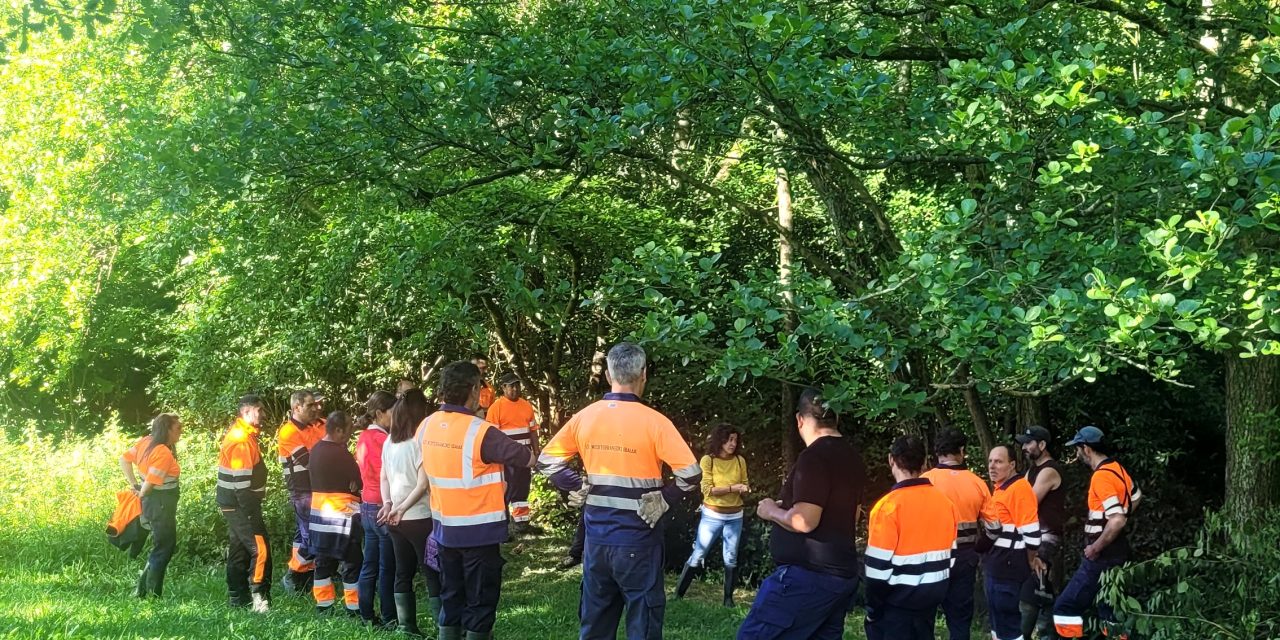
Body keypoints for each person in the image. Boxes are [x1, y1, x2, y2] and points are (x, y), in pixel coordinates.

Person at [538, 342, 702, 640]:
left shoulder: (585, 417)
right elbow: (691, 474)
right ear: (643, 374)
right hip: (639, 542)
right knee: (644, 626)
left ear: (608, 375)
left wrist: (577, 485)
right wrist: (666, 498)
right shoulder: (656, 422)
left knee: (596, 626)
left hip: (596, 543)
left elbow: (546, 461)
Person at [738, 388, 866, 640]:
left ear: (800, 419)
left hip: (808, 577)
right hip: (841, 575)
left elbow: (805, 521)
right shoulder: (852, 457)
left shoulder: (814, 457)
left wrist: (771, 510)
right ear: (835, 418)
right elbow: (854, 515)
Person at [421, 360, 537, 640]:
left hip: (444, 529)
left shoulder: (426, 425)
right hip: (479, 531)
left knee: (451, 593)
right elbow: (527, 458)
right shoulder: (480, 431)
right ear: (474, 390)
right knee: (480, 600)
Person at [863, 435, 959, 640]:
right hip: (930, 601)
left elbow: (876, 572)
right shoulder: (945, 503)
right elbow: (951, 556)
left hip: (895, 606)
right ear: (924, 463)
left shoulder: (887, 507)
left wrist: (872, 610)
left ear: (891, 460)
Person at [1053, 427, 1141, 639]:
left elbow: (1117, 519)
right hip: (1119, 552)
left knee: (1065, 608)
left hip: (1102, 556)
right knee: (1110, 612)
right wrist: (1122, 516)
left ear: (1086, 449)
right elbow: (1137, 496)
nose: (1077, 454)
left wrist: (1095, 547)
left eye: (1078, 449)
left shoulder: (1101, 477)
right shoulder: (1117, 469)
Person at [379, 388, 440, 635]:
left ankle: (406, 627)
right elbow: (423, 484)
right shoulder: (419, 443)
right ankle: (441, 625)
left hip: (395, 520)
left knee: (402, 572)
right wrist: (402, 508)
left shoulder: (388, 442)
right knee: (432, 572)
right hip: (419, 517)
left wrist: (388, 505)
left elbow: (383, 477)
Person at [921, 428, 991, 640]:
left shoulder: (925, 481)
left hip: (929, 557)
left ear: (937, 452)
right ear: (962, 450)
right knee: (959, 619)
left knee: (924, 616)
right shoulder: (977, 483)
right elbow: (995, 529)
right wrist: (979, 548)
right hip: (964, 557)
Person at [675, 423, 749, 606]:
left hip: (735, 516)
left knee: (731, 556)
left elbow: (745, 482)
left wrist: (745, 489)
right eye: (729, 440)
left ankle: (728, 600)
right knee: (699, 553)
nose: (733, 444)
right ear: (720, 440)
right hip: (712, 515)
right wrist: (733, 488)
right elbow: (707, 490)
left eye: (735, 440)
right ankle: (678, 595)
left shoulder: (740, 460)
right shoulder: (708, 460)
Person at [978, 444, 1043, 640]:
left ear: (1012, 464)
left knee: (1008, 625)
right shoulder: (1001, 489)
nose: (992, 466)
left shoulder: (1019, 488)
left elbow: (1032, 535)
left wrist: (1032, 559)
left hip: (1008, 566)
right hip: (997, 565)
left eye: (998, 461)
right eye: (990, 461)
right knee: (998, 623)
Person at [216, 395, 271, 612]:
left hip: (234, 503)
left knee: (239, 549)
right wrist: (250, 513)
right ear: (246, 412)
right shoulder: (241, 440)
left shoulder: (244, 435)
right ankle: (259, 598)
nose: (264, 414)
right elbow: (240, 484)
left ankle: (237, 598)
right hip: (241, 504)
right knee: (260, 548)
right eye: (259, 410)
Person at [308, 410, 363, 615]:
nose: (351, 432)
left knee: (322, 562)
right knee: (352, 562)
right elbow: (358, 481)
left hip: (320, 515)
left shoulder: (315, 450)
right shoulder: (341, 454)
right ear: (339, 430)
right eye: (349, 429)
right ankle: (354, 607)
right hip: (343, 517)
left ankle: (324, 605)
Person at [1018, 425, 1066, 639]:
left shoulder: (1049, 470)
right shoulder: (1032, 470)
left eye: (1028, 443)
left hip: (1047, 539)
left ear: (1042, 445)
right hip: (1033, 536)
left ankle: (1025, 634)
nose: (1024, 448)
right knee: (1039, 589)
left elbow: (1027, 503)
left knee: (1035, 589)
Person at [277, 389, 326, 594]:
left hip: (316, 488)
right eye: (310, 405)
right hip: (302, 491)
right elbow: (308, 461)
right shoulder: (288, 432)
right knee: (313, 536)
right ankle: (292, 573)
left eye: (316, 404)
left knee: (302, 536)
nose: (315, 408)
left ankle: (303, 576)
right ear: (296, 407)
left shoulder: (314, 426)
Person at [355, 391, 397, 626]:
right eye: (392, 412)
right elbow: (390, 475)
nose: (396, 417)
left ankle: (366, 614)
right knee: (387, 567)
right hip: (383, 505)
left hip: (366, 506)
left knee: (369, 564)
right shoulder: (384, 440)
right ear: (380, 413)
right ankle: (391, 617)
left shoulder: (362, 438)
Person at [131, 413, 183, 598]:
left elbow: (124, 459)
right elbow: (152, 480)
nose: (181, 432)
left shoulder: (146, 441)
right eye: (178, 428)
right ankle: (152, 594)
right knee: (164, 546)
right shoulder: (161, 451)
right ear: (167, 429)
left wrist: (134, 484)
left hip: (156, 502)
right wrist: (141, 492)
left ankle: (142, 590)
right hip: (160, 502)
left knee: (161, 545)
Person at [486, 373, 541, 532]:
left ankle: (521, 523)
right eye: (511, 386)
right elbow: (493, 437)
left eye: (517, 385)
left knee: (522, 488)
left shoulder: (526, 405)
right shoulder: (496, 407)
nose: (515, 388)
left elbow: (533, 431)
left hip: (525, 456)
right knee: (505, 490)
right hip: (507, 457)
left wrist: (536, 451)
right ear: (503, 387)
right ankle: (502, 525)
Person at [471, 355, 495, 419]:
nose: (486, 371)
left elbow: (491, 413)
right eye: (482, 368)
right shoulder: (460, 387)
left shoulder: (489, 389)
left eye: (486, 368)